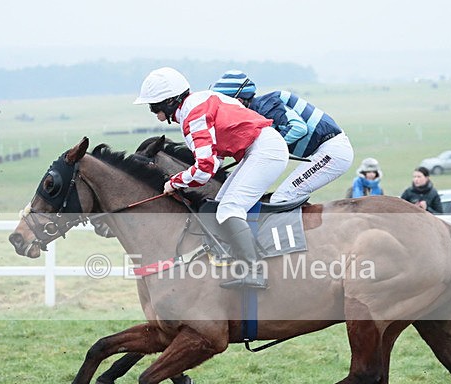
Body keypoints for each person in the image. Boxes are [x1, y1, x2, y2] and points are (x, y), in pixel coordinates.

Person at [133, 67, 289, 290]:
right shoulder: (198, 101)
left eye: (154, 107)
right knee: (219, 205)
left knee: (229, 209)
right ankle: (233, 259)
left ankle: (255, 272)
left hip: (264, 151)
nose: (154, 114)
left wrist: (175, 181)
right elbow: (213, 162)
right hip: (259, 148)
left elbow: (205, 169)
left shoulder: (192, 116)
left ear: (168, 102)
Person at [210, 70, 354, 203]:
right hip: (325, 149)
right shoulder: (252, 114)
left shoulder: (266, 104)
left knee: (282, 197)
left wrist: (271, 148)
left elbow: (298, 128)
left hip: (332, 151)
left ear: (239, 101)